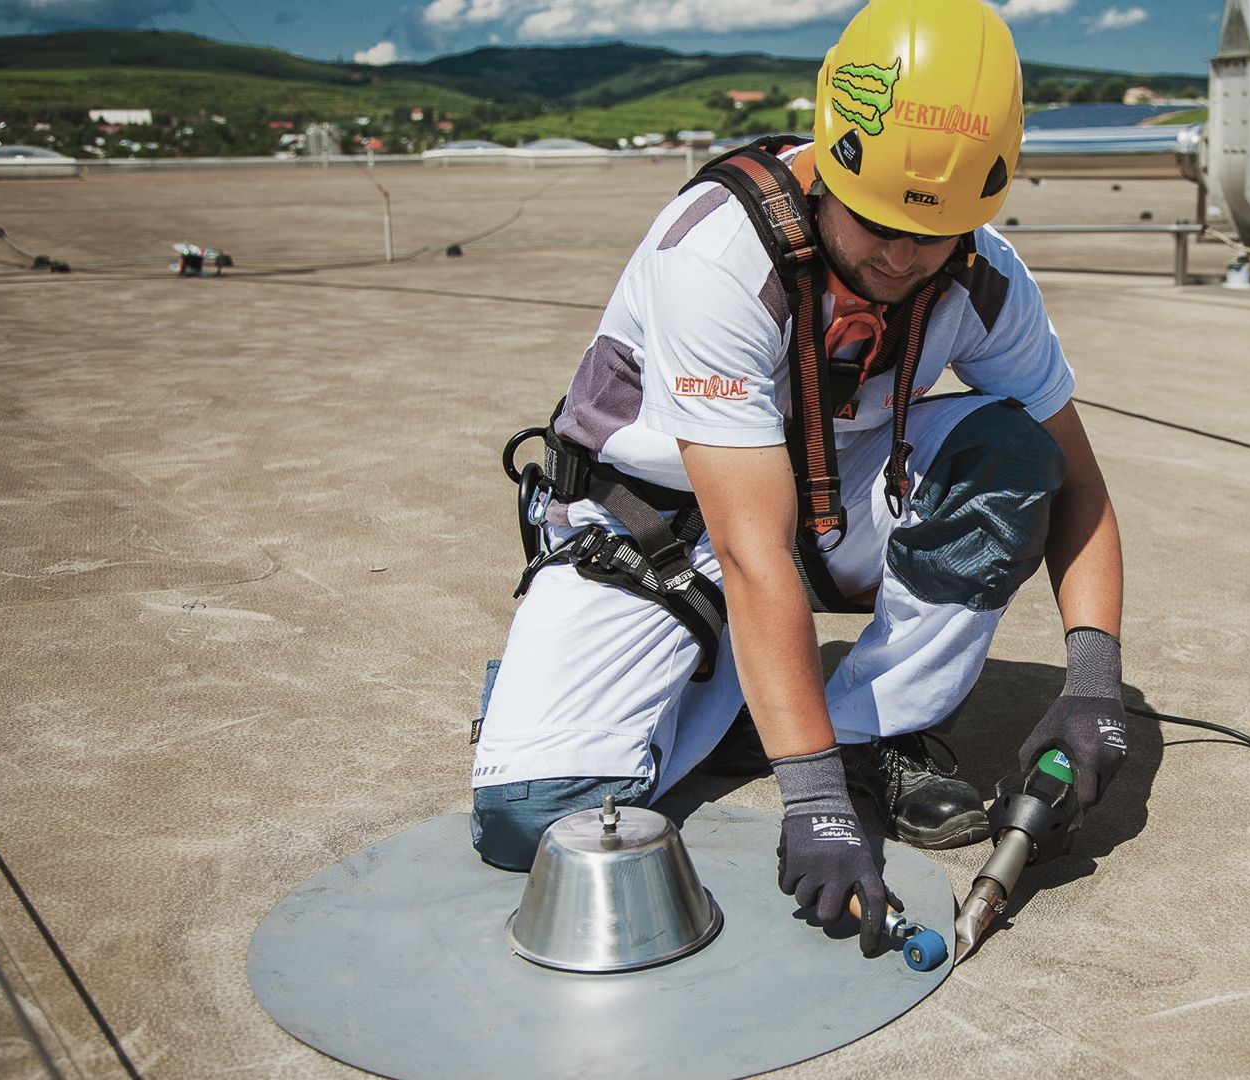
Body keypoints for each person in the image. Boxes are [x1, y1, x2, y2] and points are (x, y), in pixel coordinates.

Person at [471, 0, 1130, 957]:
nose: (902, 256)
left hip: (825, 505)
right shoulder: (718, 257)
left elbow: (1081, 486)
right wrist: (814, 804)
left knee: (1014, 458)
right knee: (536, 820)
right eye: (876, 221)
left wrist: (1094, 686)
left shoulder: (983, 274)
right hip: (657, 530)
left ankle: (868, 726)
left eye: (934, 230)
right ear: (831, 155)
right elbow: (746, 549)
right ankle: (761, 711)